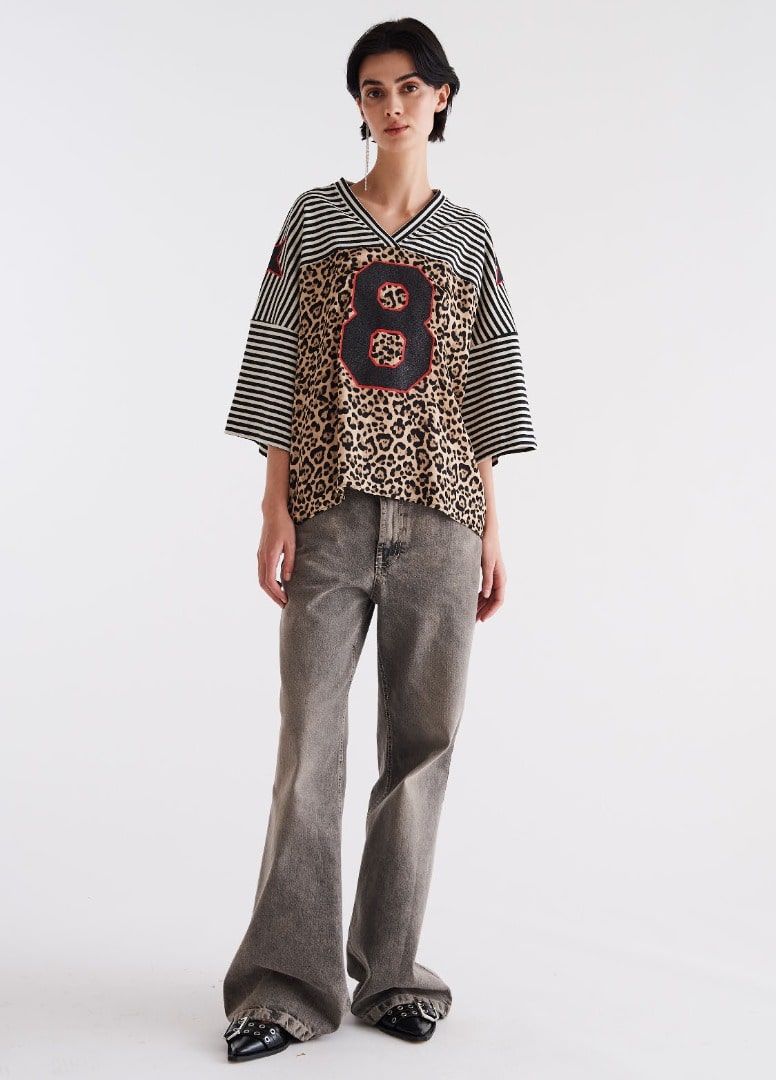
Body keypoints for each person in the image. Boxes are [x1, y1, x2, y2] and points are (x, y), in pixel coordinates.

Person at [220, 16, 537, 1063]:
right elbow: (276, 350)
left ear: (441, 96)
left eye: (408, 87)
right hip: (329, 508)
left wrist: (491, 528)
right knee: (308, 743)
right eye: (372, 90)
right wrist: (273, 505)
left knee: (422, 746)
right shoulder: (314, 217)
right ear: (357, 105)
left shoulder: (468, 237)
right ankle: (285, 984)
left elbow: (485, 386)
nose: (391, 105)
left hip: (443, 517)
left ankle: (394, 972)